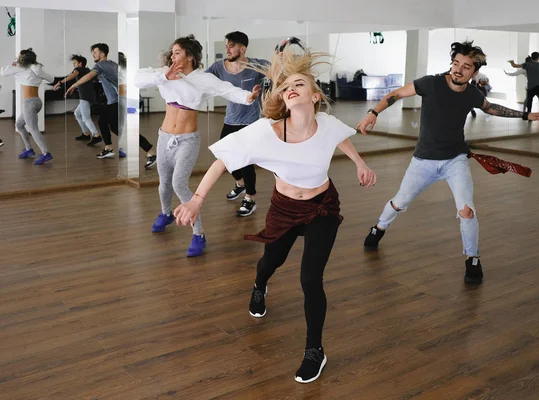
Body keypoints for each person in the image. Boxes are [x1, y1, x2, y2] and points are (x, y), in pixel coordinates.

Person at [173, 48, 376, 383]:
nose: (290, 88)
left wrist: (360, 164)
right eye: (286, 87)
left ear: (314, 96)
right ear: (283, 98)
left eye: (299, 83)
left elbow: (341, 139)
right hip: (285, 208)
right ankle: (258, 285)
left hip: (323, 207)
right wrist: (196, 200)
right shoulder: (265, 131)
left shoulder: (327, 123)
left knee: (311, 279)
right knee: (271, 261)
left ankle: (315, 350)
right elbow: (223, 159)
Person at [359, 40, 539, 284]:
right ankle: (378, 228)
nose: (458, 69)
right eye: (456, 63)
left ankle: (472, 258)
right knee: (400, 202)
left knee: (466, 210)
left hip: (455, 160)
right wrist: (373, 113)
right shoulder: (430, 83)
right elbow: (396, 94)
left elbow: (490, 108)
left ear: (475, 72)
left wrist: (526, 115)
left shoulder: (472, 93)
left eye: (466, 66)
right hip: (423, 161)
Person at [134, 34, 260, 257]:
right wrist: (165, 74)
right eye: (172, 52)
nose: (172, 55)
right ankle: (166, 213)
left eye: (177, 52)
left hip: (187, 140)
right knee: (163, 182)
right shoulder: (165, 74)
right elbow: (137, 79)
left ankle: (198, 234)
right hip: (164, 136)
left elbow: (226, 89)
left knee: (178, 183)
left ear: (190, 56)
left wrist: (248, 97)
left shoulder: (202, 78)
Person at [206, 31, 269, 216]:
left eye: (231, 45)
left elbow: (278, 73)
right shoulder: (218, 68)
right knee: (223, 156)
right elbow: (200, 81)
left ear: (243, 49)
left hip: (250, 122)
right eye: (226, 45)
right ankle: (240, 183)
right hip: (230, 119)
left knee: (245, 160)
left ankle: (250, 198)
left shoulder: (257, 66)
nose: (227, 48)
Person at [66, 43, 121, 158]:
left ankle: (147, 149)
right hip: (116, 100)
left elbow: (89, 76)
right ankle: (108, 147)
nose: (93, 55)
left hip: (115, 101)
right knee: (102, 122)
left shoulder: (100, 65)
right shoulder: (113, 64)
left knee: (114, 127)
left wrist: (73, 85)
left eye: (95, 52)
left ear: (102, 53)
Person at [0, 48, 54, 164]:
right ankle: (29, 149)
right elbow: (52, 79)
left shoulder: (20, 68)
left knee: (33, 129)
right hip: (37, 101)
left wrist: (14, 63)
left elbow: (2, 72)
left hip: (29, 103)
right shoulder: (36, 69)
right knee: (19, 125)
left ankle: (45, 153)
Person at [118, 52, 156, 168]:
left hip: (131, 103)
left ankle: (151, 152)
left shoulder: (123, 72)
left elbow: (125, 90)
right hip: (129, 102)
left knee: (130, 131)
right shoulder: (123, 71)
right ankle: (122, 148)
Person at [53, 54, 102, 143]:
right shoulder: (87, 70)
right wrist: (74, 87)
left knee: (86, 118)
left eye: (75, 63)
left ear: (80, 63)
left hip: (85, 97)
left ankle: (96, 135)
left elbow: (71, 76)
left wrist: (59, 82)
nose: (73, 65)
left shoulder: (79, 69)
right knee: (77, 113)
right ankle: (86, 134)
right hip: (89, 96)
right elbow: (84, 83)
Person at [509, 52, 539, 121]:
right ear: (538, 57)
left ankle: (529, 115)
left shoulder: (528, 65)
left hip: (531, 87)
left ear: (532, 57)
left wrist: (511, 62)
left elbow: (514, 66)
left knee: (529, 101)